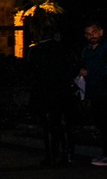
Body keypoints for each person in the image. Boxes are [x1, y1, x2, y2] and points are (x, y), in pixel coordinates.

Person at [27, 27, 77, 166]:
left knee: (48, 126)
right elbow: (74, 69)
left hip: (44, 93)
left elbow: (30, 71)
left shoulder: (36, 51)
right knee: (64, 124)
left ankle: (50, 156)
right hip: (63, 92)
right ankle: (66, 156)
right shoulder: (66, 50)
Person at [80, 20, 107, 166]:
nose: (92, 36)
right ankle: (106, 154)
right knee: (100, 123)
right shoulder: (87, 51)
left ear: (101, 32)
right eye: (88, 33)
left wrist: (88, 72)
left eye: (94, 32)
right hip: (95, 92)